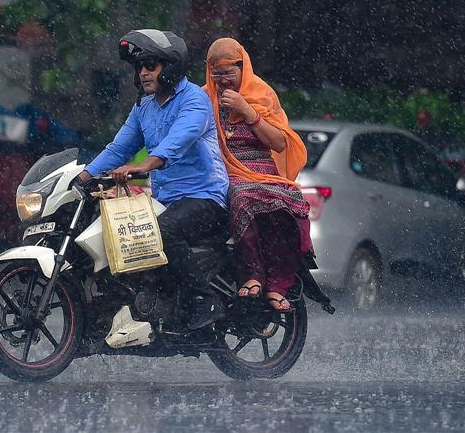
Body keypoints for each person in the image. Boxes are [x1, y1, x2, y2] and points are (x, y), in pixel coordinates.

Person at [78, 29, 230, 332]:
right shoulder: (144, 107)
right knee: (118, 231)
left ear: (170, 67)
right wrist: (82, 176)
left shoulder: (194, 101)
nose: (143, 73)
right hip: (166, 199)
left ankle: (204, 299)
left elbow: (176, 142)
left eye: (151, 65)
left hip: (205, 196)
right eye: (139, 67)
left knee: (162, 229)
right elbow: (119, 148)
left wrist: (143, 165)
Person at [202, 38, 312, 311]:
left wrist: (246, 110)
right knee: (241, 196)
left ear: (243, 68)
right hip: (226, 171)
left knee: (291, 201)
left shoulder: (261, 94)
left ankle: (278, 285)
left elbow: (279, 142)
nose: (223, 80)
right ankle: (251, 275)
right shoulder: (204, 97)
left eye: (229, 73)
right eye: (217, 74)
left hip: (263, 169)